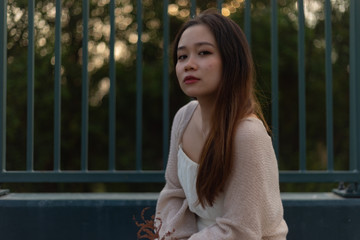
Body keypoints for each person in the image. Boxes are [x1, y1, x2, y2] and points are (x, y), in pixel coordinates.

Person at [155, 9, 288, 239]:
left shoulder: (248, 134)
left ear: (231, 61)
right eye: (182, 56)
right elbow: (173, 196)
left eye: (204, 52)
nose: (189, 64)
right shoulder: (183, 118)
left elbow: (241, 231)